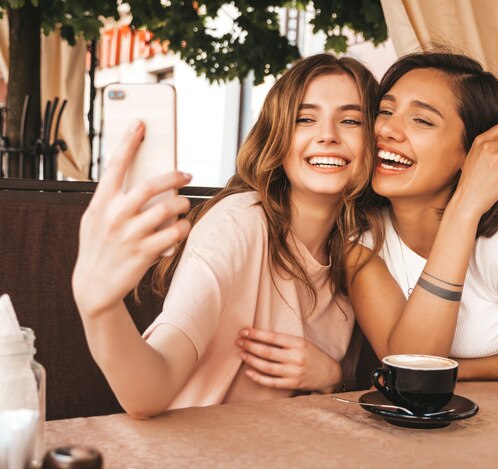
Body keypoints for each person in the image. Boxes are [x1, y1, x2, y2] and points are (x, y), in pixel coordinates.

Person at [72, 53, 379, 418]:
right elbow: (149, 391)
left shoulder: (362, 247)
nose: (327, 135)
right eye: (305, 119)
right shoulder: (238, 222)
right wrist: (99, 308)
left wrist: (332, 377)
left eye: (350, 120)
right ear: (278, 137)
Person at [346, 51, 498, 381]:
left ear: (474, 153)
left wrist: (463, 212)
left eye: (421, 120)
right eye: (386, 111)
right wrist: (461, 215)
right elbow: (411, 369)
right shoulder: (362, 243)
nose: (387, 130)